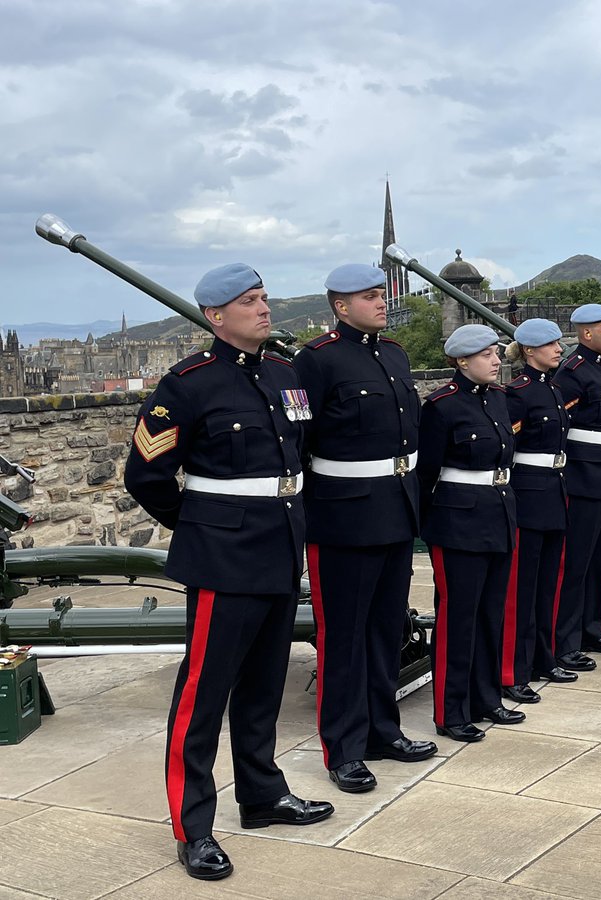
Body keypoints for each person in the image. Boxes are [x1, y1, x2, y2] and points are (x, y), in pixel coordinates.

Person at [124, 263, 333, 882]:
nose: (265, 309)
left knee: (265, 684)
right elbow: (147, 475)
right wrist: (203, 525)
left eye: (265, 298)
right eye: (250, 302)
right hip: (224, 555)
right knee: (203, 692)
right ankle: (193, 825)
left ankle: (263, 794)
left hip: (279, 546)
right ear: (216, 317)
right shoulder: (187, 384)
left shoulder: (282, 373)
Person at [294, 264, 436, 797]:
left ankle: (383, 729)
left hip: (396, 510)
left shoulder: (393, 353)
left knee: (385, 631)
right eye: (370, 296)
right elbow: (298, 440)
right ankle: (344, 747)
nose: (382, 302)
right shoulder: (316, 361)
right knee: (344, 639)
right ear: (340, 306)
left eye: (381, 294)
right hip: (343, 518)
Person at [417, 324, 523, 742]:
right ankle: (451, 710)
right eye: (487, 355)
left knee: (490, 613)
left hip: (498, 513)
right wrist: (430, 528)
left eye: (497, 353)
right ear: (462, 361)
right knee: (458, 618)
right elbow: (426, 474)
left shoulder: (499, 399)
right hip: (457, 522)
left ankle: (486, 697)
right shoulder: (441, 406)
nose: (497, 361)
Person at [502, 319, 577, 700]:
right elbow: (508, 450)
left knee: (549, 582)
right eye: (550, 345)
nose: (558, 349)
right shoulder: (517, 394)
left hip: (554, 491)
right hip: (528, 495)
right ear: (529, 351)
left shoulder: (554, 389)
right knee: (522, 587)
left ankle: (543, 658)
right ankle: (513, 669)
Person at [552, 304, 601, 667]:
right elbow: (559, 430)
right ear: (586, 334)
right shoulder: (572, 372)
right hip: (583, 477)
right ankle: (566, 640)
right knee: (576, 563)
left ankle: (593, 627)